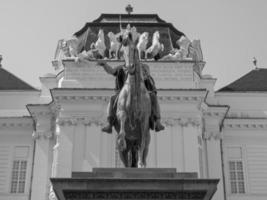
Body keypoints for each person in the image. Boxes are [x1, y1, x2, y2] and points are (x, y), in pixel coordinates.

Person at [97, 60, 165, 133]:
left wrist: (135, 71)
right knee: (113, 98)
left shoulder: (143, 66)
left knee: (153, 97)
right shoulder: (122, 68)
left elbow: (146, 75)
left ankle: (157, 121)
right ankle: (109, 124)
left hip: (143, 90)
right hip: (125, 91)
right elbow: (112, 71)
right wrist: (105, 65)